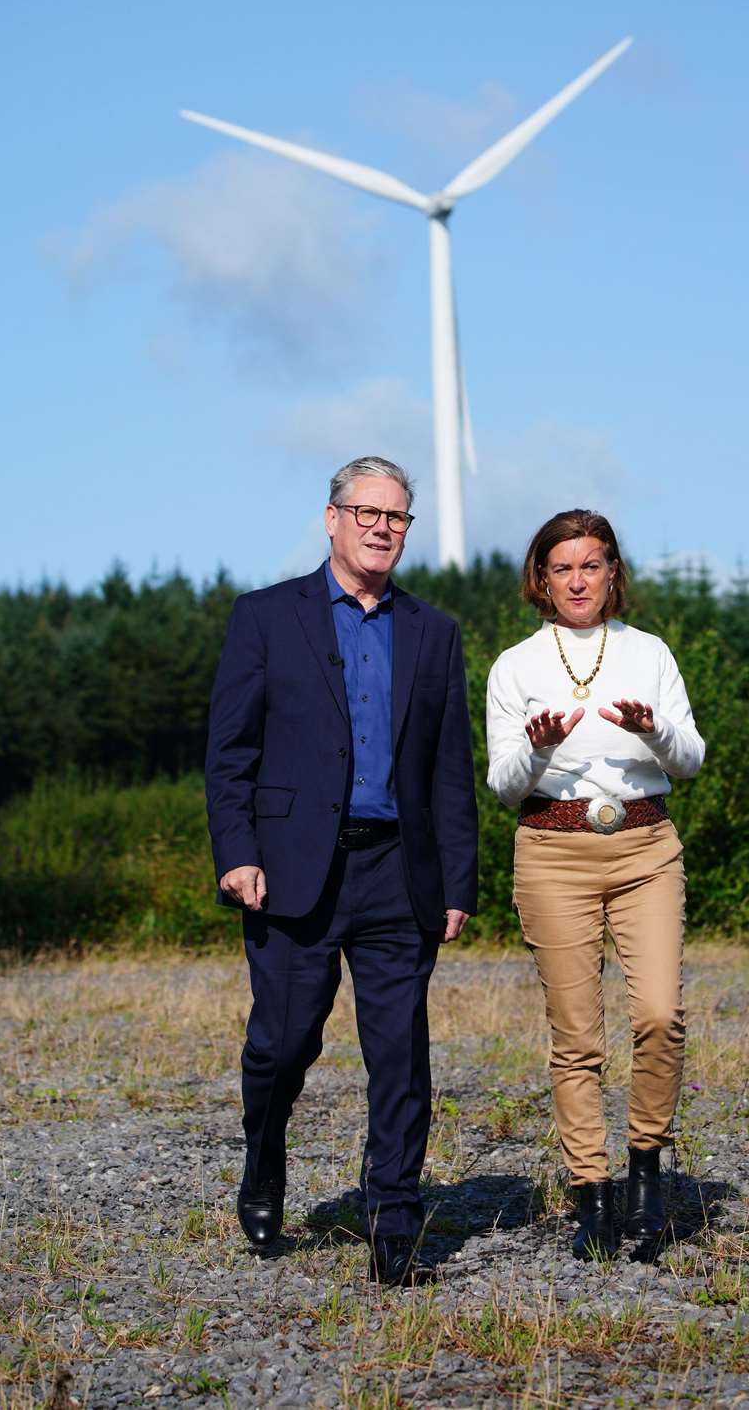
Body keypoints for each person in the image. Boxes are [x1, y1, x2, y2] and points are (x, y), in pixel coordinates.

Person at [205, 456, 478, 1285]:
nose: (381, 527)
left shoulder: (434, 632)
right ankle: (264, 1157)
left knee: (400, 1054)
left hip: (401, 875)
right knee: (284, 1042)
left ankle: (393, 1218)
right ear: (331, 518)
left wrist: (459, 883)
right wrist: (238, 851)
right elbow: (230, 754)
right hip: (292, 872)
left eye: (397, 517)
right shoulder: (265, 618)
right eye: (366, 512)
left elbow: (450, 769)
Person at [486, 509, 704, 1262]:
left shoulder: (650, 654)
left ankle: (646, 1166)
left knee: (659, 1014)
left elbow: (691, 759)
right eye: (563, 567)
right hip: (552, 850)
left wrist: (652, 730)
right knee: (576, 1039)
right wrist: (540, 749)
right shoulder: (515, 666)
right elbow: (503, 783)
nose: (578, 579)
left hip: (645, 845)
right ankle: (593, 1193)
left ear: (613, 572)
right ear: (541, 580)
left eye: (592, 564)